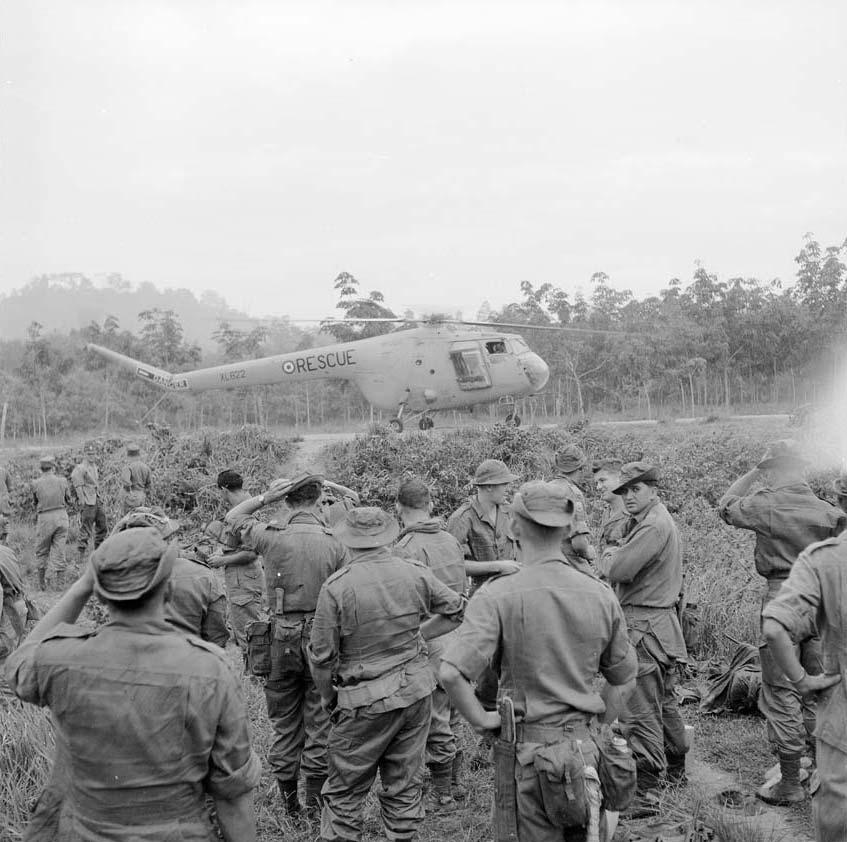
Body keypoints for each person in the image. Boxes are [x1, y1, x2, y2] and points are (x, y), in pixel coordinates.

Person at [5, 527, 261, 841]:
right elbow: (232, 796)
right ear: (168, 590)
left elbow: (18, 663)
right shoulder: (211, 670)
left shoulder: (62, 659)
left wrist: (84, 583)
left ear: (99, 595)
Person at [440, 481, 638, 842]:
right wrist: (599, 725)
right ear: (567, 530)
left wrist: (485, 720)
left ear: (514, 528)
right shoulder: (599, 593)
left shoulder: (497, 594)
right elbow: (624, 678)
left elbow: (451, 673)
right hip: (586, 749)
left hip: (527, 755)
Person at [308, 507, 465, 842]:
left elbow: (321, 658)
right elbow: (456, 610)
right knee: (405, 784)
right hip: (415, 693)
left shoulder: (337, 586)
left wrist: (327, 697)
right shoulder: (414, 571)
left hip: (363, 702)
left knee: (345, 791)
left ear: (347, 540)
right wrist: (419, 636)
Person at [719, 440, 845, 804]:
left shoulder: (764, 503)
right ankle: (822, 773)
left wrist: (752, 473)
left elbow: (725, 506)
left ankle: (790, 781)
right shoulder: (827, 511)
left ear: (773, 470)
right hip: (822, 599)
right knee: (819, 688)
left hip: (783, 596)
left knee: (780, 691)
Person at [226, 471, 348, 817]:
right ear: (317, 501)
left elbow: (233, 519)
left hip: (278, 637)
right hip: (321, 638)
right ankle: (313, 806)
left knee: (284, 722)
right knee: (319, 720)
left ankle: (290, 804)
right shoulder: (335, 541)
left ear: (289, 502)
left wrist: (266, 496)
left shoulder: (270, 536)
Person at [601, 462, 689, 801]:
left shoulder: (652, 525)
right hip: (659, 626)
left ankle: (648, 791)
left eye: (635, 489)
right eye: (624, 490)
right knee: (663, 703)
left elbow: (619, 569)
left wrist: (609, 554)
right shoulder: (653, 520)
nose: (628, 496)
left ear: (653, 489)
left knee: (639, 710)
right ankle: (676, 768)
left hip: (643, 627)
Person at [762, 533, 847, 842]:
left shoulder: (825, 558)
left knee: (779, 695)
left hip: (841, 726)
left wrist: (803, 682)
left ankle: (789, 777)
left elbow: (773, 628)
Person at [394, 477, 468, 810]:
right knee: (453, 710)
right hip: (458, 634)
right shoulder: (450, 539)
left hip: (429, 635)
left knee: (435, 715)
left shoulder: (404, 548)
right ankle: (454, 781)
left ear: (398, 508)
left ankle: (444, 792)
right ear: (430, 505)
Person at [447, 458, 520, 712]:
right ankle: (487, 715)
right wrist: (497, 566)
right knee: (486, 661)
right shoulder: (462, 518)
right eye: (503, 484)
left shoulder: (511, 513)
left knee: (514, 654)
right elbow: (455, 564)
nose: (507, 489)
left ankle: (512, 709)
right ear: (488, 487)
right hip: (484, 598)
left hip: (514, 595)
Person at [112, 507, 229, 647]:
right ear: (168, 538)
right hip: (187, 661)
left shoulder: (117, 578)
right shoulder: (203, 577)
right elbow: (216, 637)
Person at [207, 469, 264, 659]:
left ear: (224, 489)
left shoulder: (243, 509)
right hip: (242, 578)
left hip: (245, 579)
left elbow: (251, 552)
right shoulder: (246, 504)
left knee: (249, 631)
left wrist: (222, 560)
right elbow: (236, 541)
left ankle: (255, 677)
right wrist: (222, 551)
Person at [548, 444, 596, 567]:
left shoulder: (546, 487)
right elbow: (579, 543)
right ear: (580, 468)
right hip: (568, 562)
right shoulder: (574, 494)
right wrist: (588, 553)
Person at [32, 455, 72, 590]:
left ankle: (42, 584)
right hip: (61, 516)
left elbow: (35, 503)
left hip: (44, 518)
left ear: (40, 469)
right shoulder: (62, 481)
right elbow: (69, 500)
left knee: (42, 550)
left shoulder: (36, 483)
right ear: (53, 467)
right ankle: (60, 585)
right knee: (60, 550)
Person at [70, 445, 107, 564]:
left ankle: (98, 553)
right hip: (87, 502)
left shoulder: (94, 466)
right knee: (86, 529)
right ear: (85, 454)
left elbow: (95, 484)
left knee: (102, 526)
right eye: (89, 454)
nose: (92, 456)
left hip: (96, 500)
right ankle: (80, 557)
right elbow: (78, 485)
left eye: (93, 454)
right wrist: (82, 501)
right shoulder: (80, 468)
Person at [593, 458, 629, 554]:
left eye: (602, 480)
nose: (598, 487)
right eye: (597, 483)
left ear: (619, 479)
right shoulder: (607, 512)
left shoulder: (631, 516)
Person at [120, 443, 152, 514]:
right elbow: (149, 485)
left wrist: (129, 492)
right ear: (138, 455)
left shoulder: (128, 467)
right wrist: (143, 493)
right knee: (139, 517)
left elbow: (126, 483)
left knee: (127, 518)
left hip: (131, 497)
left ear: (128, 455)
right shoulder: (146, 467)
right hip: (141, 496)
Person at [0, 463, 13, 540]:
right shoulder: (4, 471)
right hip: (3, 500)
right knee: (6, 520)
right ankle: (6, 539)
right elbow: (10, 488)